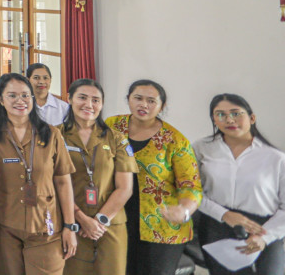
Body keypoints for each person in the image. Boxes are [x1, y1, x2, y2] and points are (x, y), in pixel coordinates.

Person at [0, 72, 77, 275]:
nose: (20, 101)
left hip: (47, 225)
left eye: (25, 95)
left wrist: (70, 226)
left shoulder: (51, 134)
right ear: (1, 99)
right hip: (4, 226)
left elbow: (63, 182)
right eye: (12, 95)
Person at [106, 80, 203, 275]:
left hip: (161, 225)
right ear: (128, 100)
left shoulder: (175, 140)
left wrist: (184, 209)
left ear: (162, 106)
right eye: (138, 98)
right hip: (118, 218)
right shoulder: (112, 126)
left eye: (151, 101)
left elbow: (191, 185)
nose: (144, 105)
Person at [194, 93, 284, 275]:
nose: (229, 119)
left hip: (264, 229)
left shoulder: (276, 158)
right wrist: (224, 214)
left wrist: (264, 237)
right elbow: (190, 191)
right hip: (217, 225)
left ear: (252, 118)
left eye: (236, 113)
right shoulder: (201, 149)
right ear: (214, 119)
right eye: (220, 115)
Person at [60, 79, 136, 275]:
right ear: (69, 99)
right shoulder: (55, 135)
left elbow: (125, 188)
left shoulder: (116, 138)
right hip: (71, 223)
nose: (89, 105)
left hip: (110, 225)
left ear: (102, 104)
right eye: (82, 98)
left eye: (96, 100)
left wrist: (100, 221)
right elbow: (54, 184)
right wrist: (82, 218)